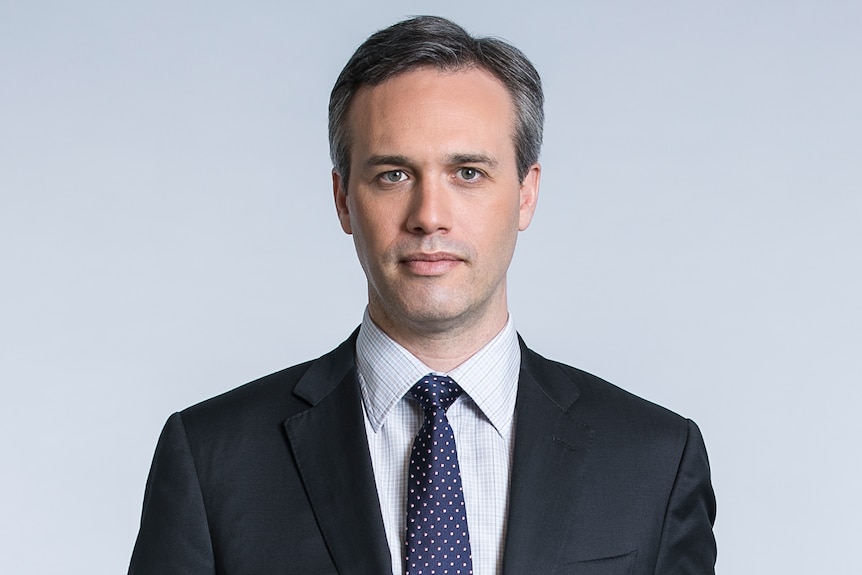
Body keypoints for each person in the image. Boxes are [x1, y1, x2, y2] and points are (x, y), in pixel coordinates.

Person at [128, 15, 716, 575]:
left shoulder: (654, 460)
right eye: (393, 174)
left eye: (467, 173)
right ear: (343, 200)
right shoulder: (213, 458)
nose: (429, 216)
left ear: (526, 194)